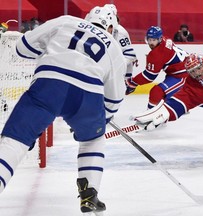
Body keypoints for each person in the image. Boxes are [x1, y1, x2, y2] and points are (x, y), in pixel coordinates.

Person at [0, 6, 126, 215]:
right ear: (111, 27)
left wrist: (48, 48)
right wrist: (97, 120)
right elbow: (113, 100)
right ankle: (89, 192)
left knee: (15, 141)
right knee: (93, 139)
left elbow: (22, 47)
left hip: (49, 85)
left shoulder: (66, 21)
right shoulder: (113, 46)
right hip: (88, 96)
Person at [125, 26, 189, 109]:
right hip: (179, 71)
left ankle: (151, 116)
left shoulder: (157, 54)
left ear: (159, 39)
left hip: (184, 75)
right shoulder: (166, 40)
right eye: (149, 39)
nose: (151, 43)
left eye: (154, 40)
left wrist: (133, 83)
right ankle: (171, 108)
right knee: (163, 92)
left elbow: (149, 77)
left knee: (157, 92)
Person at [104, 4, 138, 79]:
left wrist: (115, 67)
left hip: (121, 76)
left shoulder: (119, 31)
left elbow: (130, 55)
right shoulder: (105, 29)